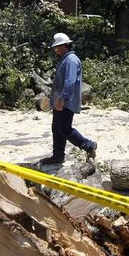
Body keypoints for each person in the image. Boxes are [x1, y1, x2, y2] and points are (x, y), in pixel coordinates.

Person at [40, 33, 97, 164]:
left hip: (66, 102)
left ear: (64, 46)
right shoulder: (65, 59)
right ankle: (58, 156)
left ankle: (89, 145)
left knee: (65, 129)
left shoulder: (71, 60)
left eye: (57, 47)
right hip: (60, 101)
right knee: (56, 128)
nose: (55, 50)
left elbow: (70, 82)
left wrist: (62, 99)